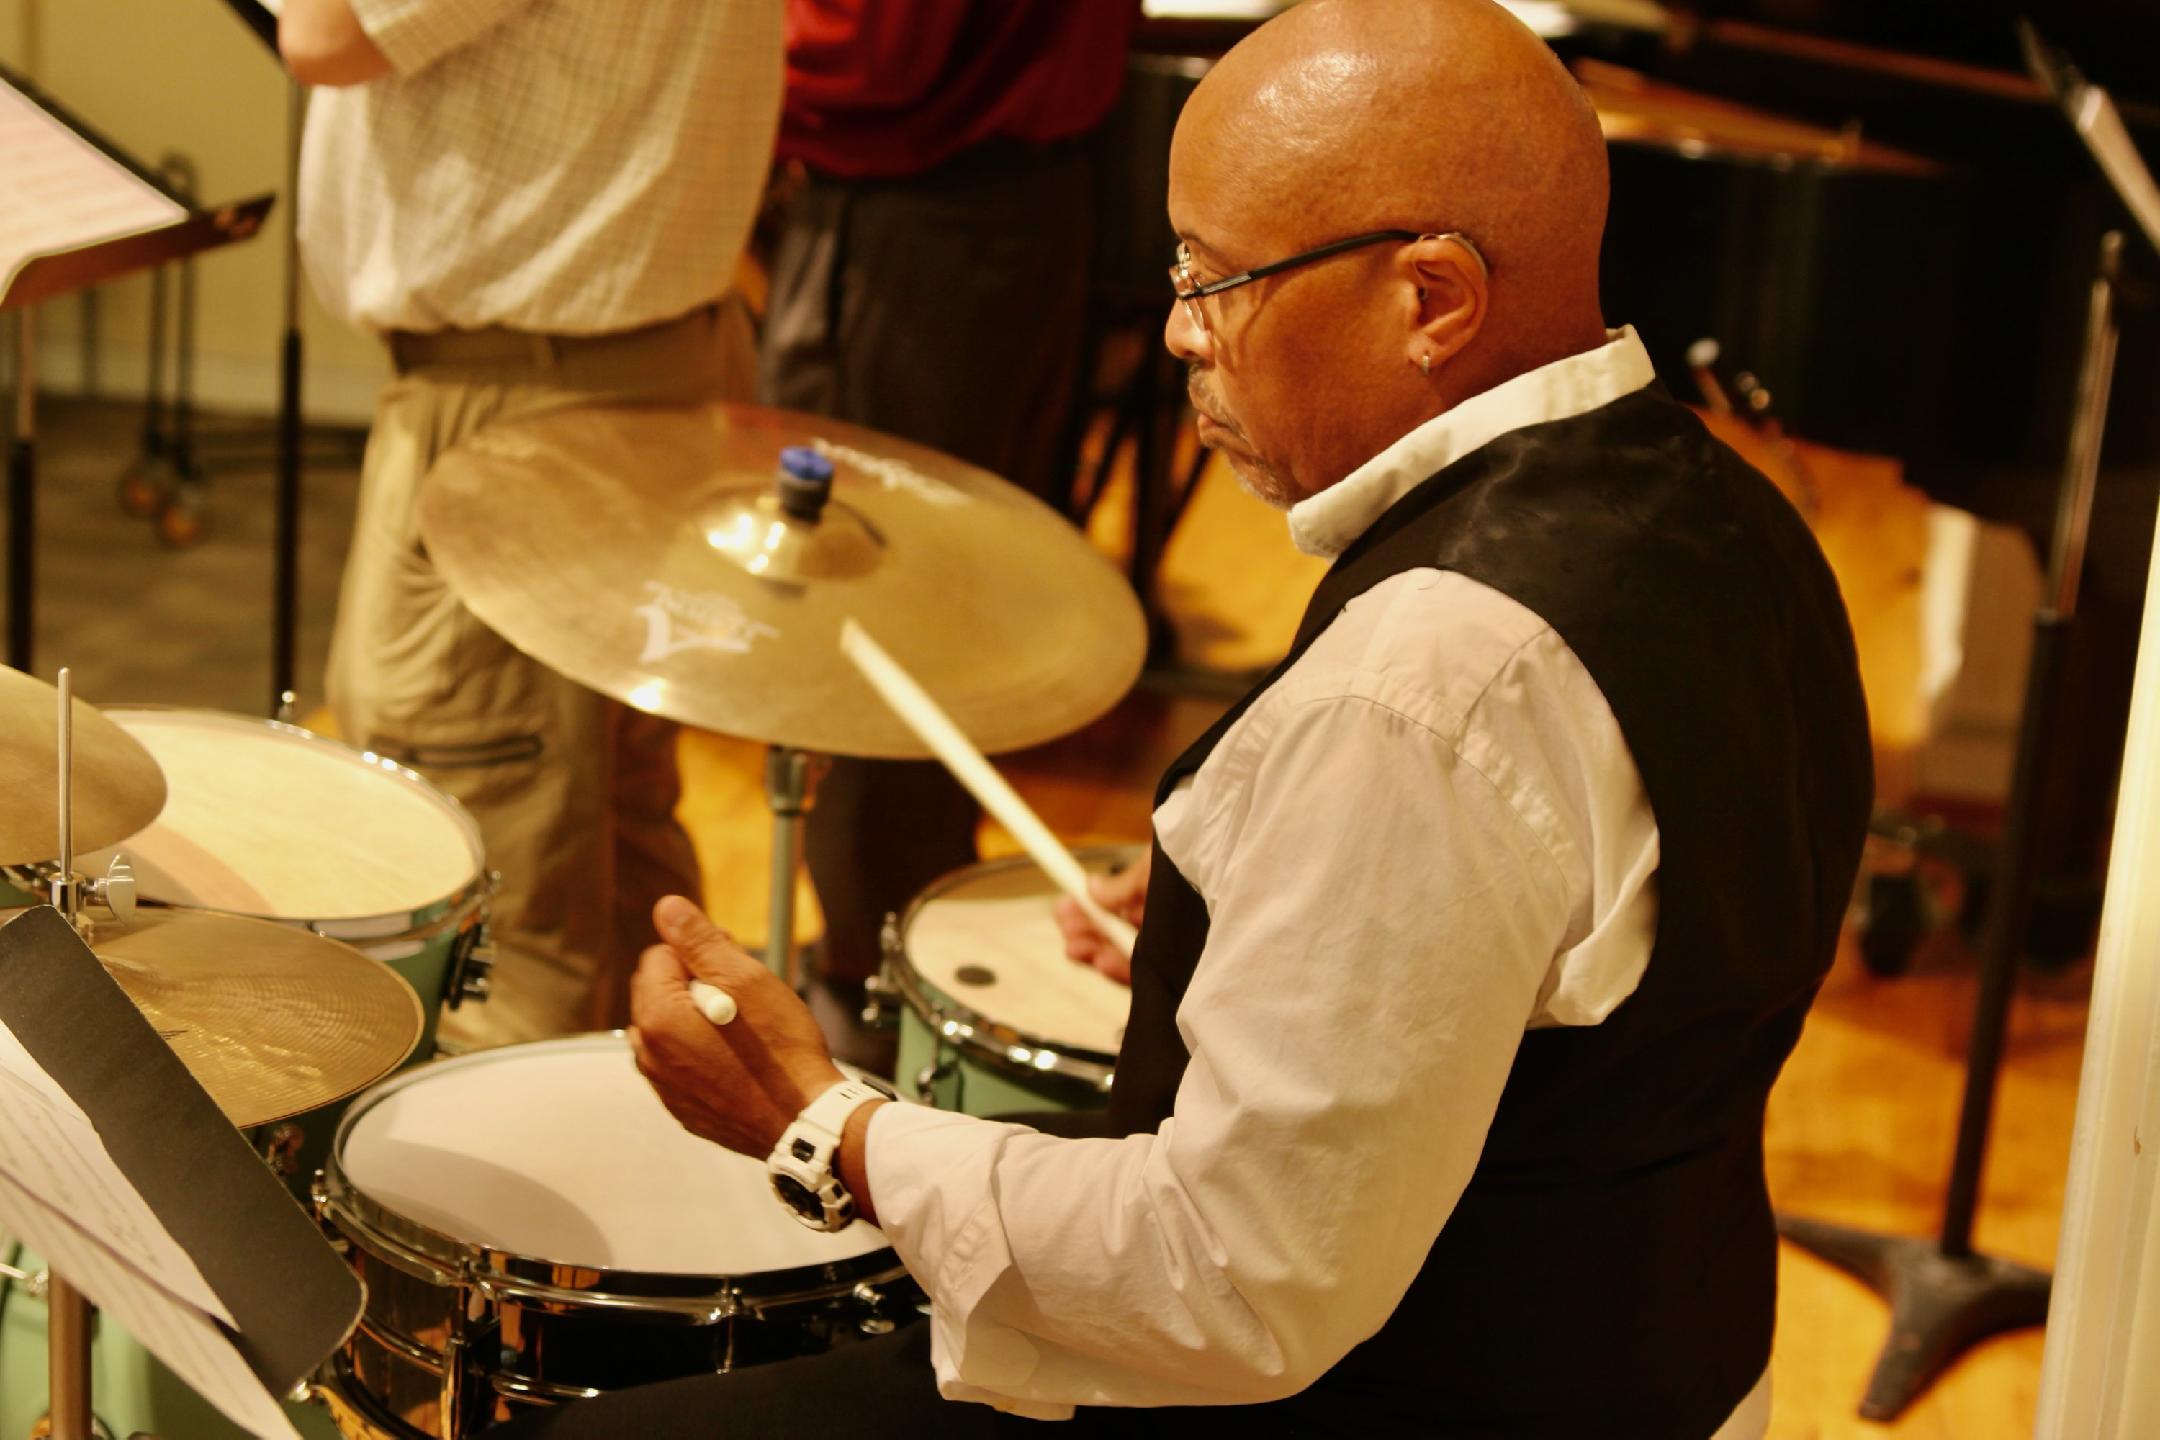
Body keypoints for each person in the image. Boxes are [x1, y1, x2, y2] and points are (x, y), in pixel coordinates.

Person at [497, 0, 1871, 1433]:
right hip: (1680, 1360)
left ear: (1433, 299)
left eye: (1218, 279)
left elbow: (1232, 1281)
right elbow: (1610, 954)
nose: (1176, 331)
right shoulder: (1728, 518)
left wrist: (822, 1125)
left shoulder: (1424, 689)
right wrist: (1282, 898)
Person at [279, 0, 782, 1046]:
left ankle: (519, 1205)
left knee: (480, 885)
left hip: (525, 400)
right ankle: (651, 1177)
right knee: (607, 822)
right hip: (645, 356)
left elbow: (324, 33)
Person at [755, 0, 1139, 1031]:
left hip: (915, 221)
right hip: (1015, 203)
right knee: (938, 617)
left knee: (865, 623)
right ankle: (890, 961)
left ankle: (870, 997)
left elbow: (870, 53)